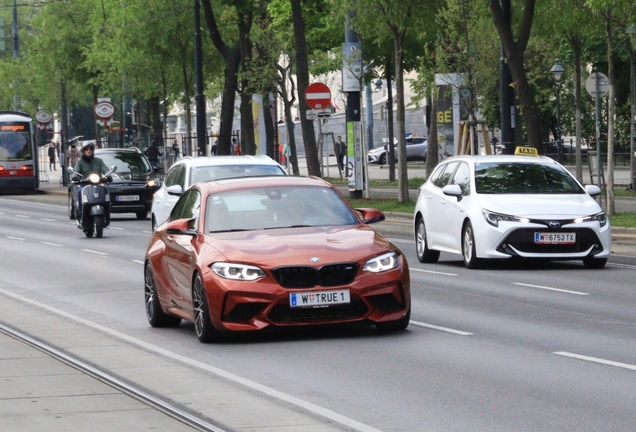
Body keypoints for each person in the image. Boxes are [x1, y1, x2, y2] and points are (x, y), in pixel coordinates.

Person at [72, 142, 110, 219]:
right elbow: (76, 171)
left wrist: (108, 176)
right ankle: (80, 212)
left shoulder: (99, 161)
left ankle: (107, 211)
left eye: (91, 149)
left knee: (106, 190)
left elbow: (105, 169)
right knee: (80, 190)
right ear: (83, 151)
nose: (89, 151)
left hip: (98, 183)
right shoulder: (80, 161)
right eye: (86, 149)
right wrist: (75, 177)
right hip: (85, 184)